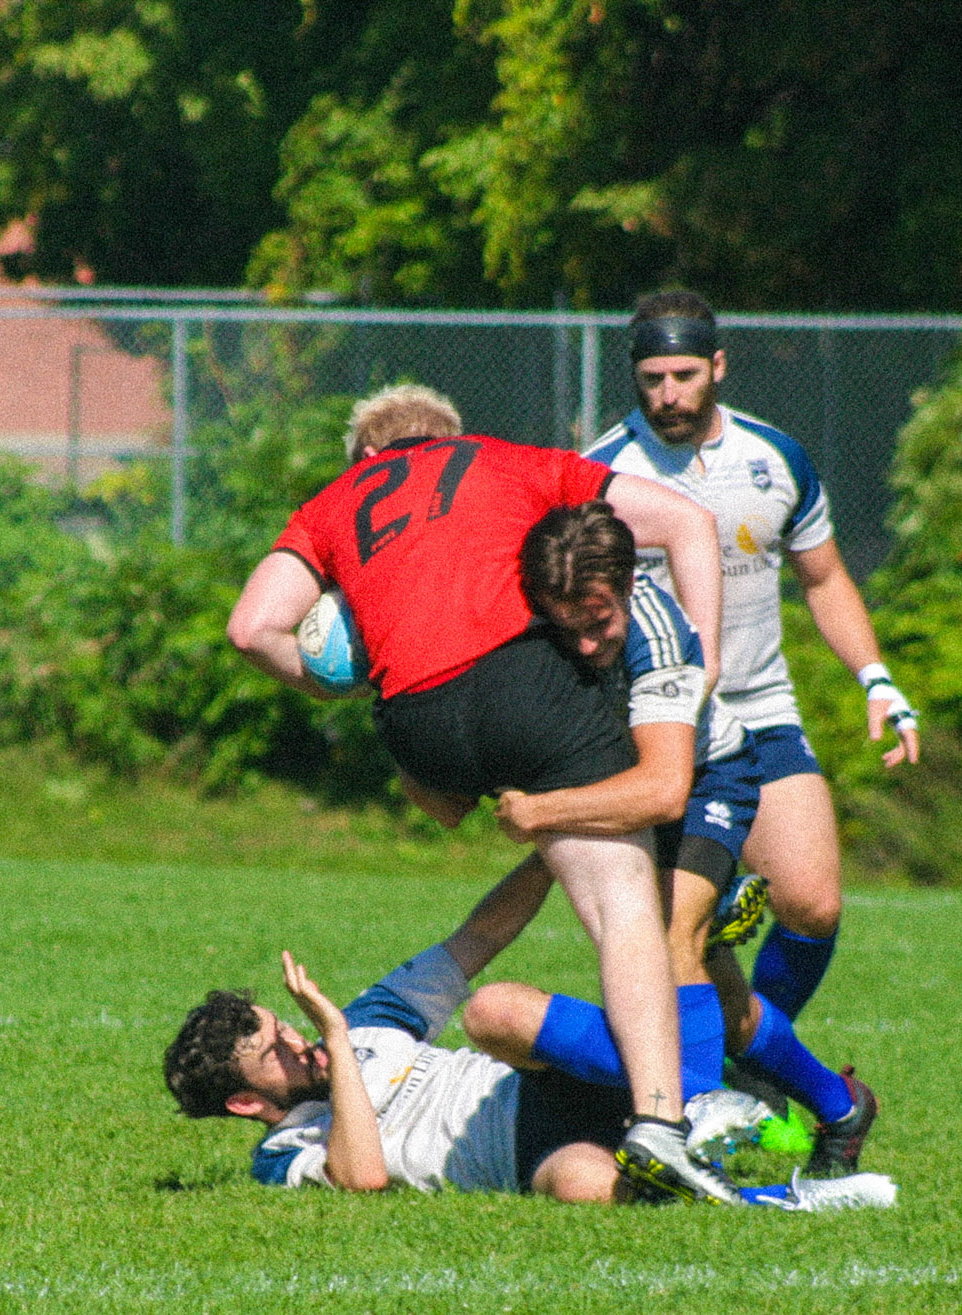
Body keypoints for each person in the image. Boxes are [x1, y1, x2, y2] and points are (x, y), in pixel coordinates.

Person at [225, 383, 734, 1202]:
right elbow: (685, 521)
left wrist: (340, 688)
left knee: (465, 802)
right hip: (518, 686)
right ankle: (660, 1122)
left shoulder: (330, 506)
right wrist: (701, 661)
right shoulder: (497, 458)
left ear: (362, 459)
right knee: (623, 905)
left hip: (416, 724)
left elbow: (250, 629)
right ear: (449, 438)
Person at [475, 501, 878, 1178]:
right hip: (625, 787)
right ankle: (839, 1105)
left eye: (598, 622)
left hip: (704, 782)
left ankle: (684, 1120)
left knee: (667, 943)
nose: (582, 644)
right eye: (564, 625)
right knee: (719, 1002)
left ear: (631, 585)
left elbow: (663, 789)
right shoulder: (537, 615)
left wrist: (540, 810)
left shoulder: (660, 636)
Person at [587, 292, 920, 1022]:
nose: (668, 394)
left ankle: (760, 1059)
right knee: (681, 931)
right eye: (652, 379)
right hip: (655, 724)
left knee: (813, 901)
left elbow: (825, 578)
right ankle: (709, 1083)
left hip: (761, 707)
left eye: (683, 374)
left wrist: (877, 678)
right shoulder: (601, 474)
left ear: (718, 365)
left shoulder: (773, 457)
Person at [161, 919, 897, 1210]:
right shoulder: (281, 1152)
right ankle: (799, 1197)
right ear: (245, 1103)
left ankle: (701, 1097)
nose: (296, 1040)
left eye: (283, 1025)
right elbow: (365, 1176)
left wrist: (547, 837)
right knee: (585, 1187)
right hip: (526, 1156)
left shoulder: (373, 1018)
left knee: (493, 1009)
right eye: (274, 1050)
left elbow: (478, 935)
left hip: (529, 1087)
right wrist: (334, 1035)